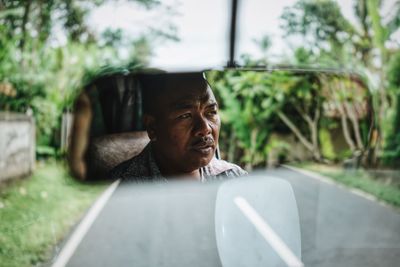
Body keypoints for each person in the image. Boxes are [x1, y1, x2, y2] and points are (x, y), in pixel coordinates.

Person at [110, 72, 246, 181]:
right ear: (152, 127)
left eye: (211, 112)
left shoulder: (233, 178)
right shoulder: (119, 189)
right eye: (185, 116)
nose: (205, 128)